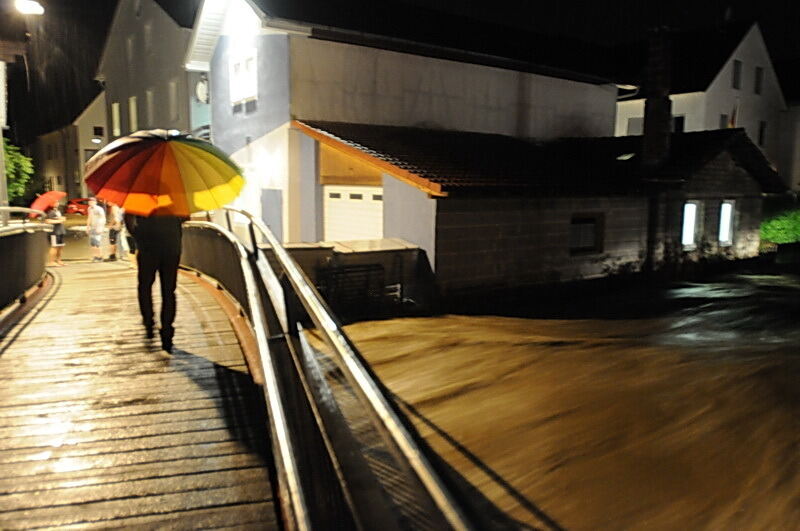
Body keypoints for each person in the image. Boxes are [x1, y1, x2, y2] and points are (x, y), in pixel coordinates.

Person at [125, 212, 185, 352]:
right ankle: (167, 330)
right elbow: (185, 216)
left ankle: (148, 320)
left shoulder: (140, 199)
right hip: (171, 244)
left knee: (144, 286)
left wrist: (137, 234)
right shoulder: (175, 199)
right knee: (169, 291)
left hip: (147, 245)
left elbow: (128, 217)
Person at [44, 201, 67, 267]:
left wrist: (61, 218)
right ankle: (51, 262)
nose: (57, 203)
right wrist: (60, 220)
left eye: (57, 202)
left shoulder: (57, 211)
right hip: (54, 232)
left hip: (60, 231)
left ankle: (59, 260)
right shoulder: (50, 211)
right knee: (54, 246)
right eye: (55, 202)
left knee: (60, 246)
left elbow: (56, 218)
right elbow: (48, 221)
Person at [86, 197, 106, 262]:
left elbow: (103, 218)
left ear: (95, 202)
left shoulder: (99, 209)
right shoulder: (89, 208)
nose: (90, 202)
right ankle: (95, 256)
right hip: (92, 227)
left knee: (97, 243)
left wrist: (101, 227)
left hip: (98, 227)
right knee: (92, 243)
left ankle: (100, 257)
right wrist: (87, 227)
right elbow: (89, 217)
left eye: (92, 201)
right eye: (89, 201)